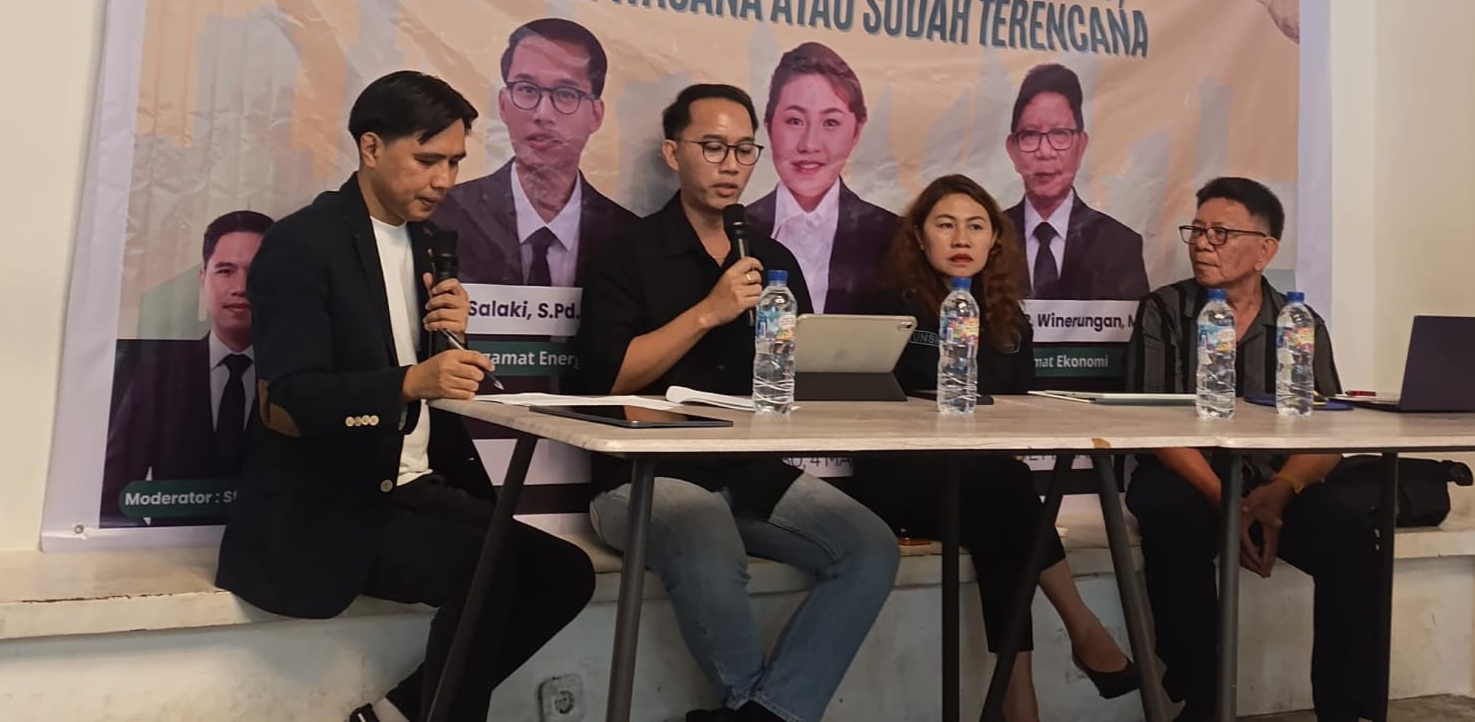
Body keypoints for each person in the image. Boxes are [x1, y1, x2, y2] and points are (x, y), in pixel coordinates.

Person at [216, 71, 595, 722]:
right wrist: (410, 381)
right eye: (427, 160)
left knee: (566, 573)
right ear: (371, 147)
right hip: (330, 501)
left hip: (412, 481)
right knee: (486, 571)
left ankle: (397, 714)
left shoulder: (428, 243)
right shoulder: (302, 244)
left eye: (455, 162)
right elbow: (295, 397)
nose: (444, 179)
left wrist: (450, 337)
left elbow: (419, 364)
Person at [574, 83, 900, 722]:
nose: (731, 165)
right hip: (642, 473)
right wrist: (709, 312)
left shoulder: (771, 259)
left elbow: (795, 375)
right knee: (704, 525)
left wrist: (833, 365)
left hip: (748, 470)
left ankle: (765, 714)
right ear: (673, 153)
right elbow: (609, 379)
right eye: (713, 147)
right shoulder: (627, 253)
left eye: (745, 150)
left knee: (869, 545)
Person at [849, 174, 1138, 722]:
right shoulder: (889, 307)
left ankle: (1018, 701)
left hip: (980, 486)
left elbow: (1018, 414)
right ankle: (1083, 628)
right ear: (919, 237)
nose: (962, 238)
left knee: (997, 526)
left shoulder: (1008, 316)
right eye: (946, 225)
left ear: (995, 240)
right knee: (1008, 490)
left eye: (976, 226)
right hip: (898, 480)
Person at [1124, 177, 1375, 722]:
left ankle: (1347, 709)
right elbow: (1156, 429)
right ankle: (1202, 699)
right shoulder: (1164, 310)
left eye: (1221, 233)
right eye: (1196, 231)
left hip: (1271, 486)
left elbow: (1328, 433)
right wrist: (1227, 502)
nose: (1201, 244)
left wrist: (1279, 493)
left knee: (1350, 534)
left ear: (1265, 250)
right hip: (1188, 476)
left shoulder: (1299, 323)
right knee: (1173, 518)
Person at [100, 209, 274, 525]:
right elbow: (112, 497)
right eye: (225, 270)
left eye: (258, 271)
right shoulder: (157, 376)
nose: (241, 287)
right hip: (174, 549)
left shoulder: (298, 373)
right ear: (203, 279)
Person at [433, 17, 635, 287]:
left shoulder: (628, 236)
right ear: (503, 105)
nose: (543, 114)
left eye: (566, 93)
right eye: (527, 90)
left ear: (596, 115)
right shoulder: (445, 215)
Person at [745, 42, 895, 313]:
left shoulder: (890, 235)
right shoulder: (737, 231)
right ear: (768, 125)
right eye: (795, 121)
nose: (810, 144)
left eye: (830, 123)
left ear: (857, 131)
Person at [1003, 62, 1149, 301]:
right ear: (1013, 150)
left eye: (1059, 134)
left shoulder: (1120, 245)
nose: (1045, 151)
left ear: (1081, 147)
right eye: (1030, 135)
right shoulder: (990, 237)